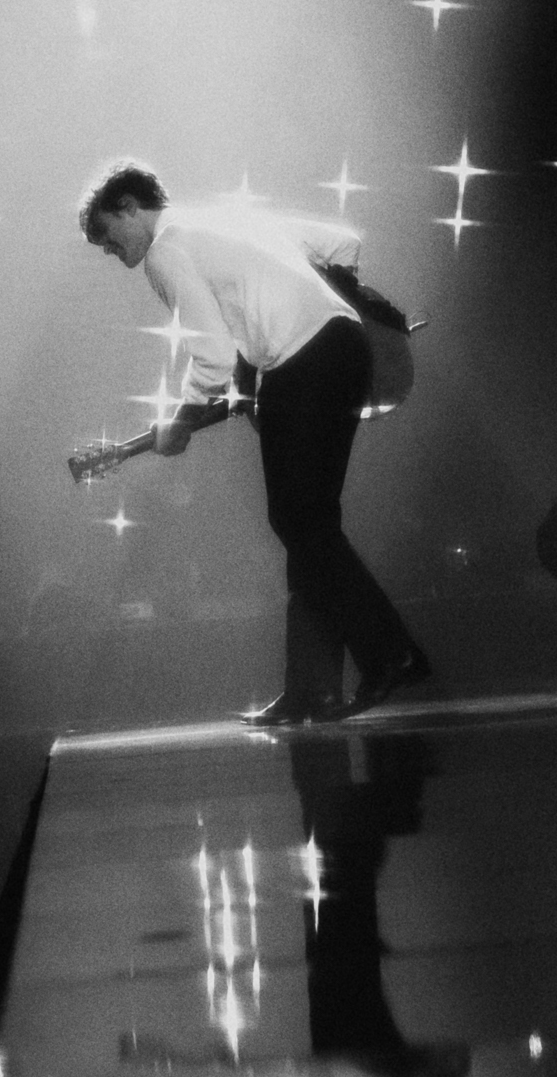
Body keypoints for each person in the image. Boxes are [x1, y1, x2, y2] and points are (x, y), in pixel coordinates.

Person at [78, 160, 432, 726]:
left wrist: (183, 416)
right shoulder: (227, 218)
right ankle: (312, 689)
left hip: (302, 362)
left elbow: (214, 355)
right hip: (344, 349)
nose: (109, 252)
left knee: (300, 523)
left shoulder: (166, 251)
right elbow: (343, 241)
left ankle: (391, 654)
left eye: (107, 235)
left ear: (129, 207)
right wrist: (335, 297)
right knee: (309, 526)